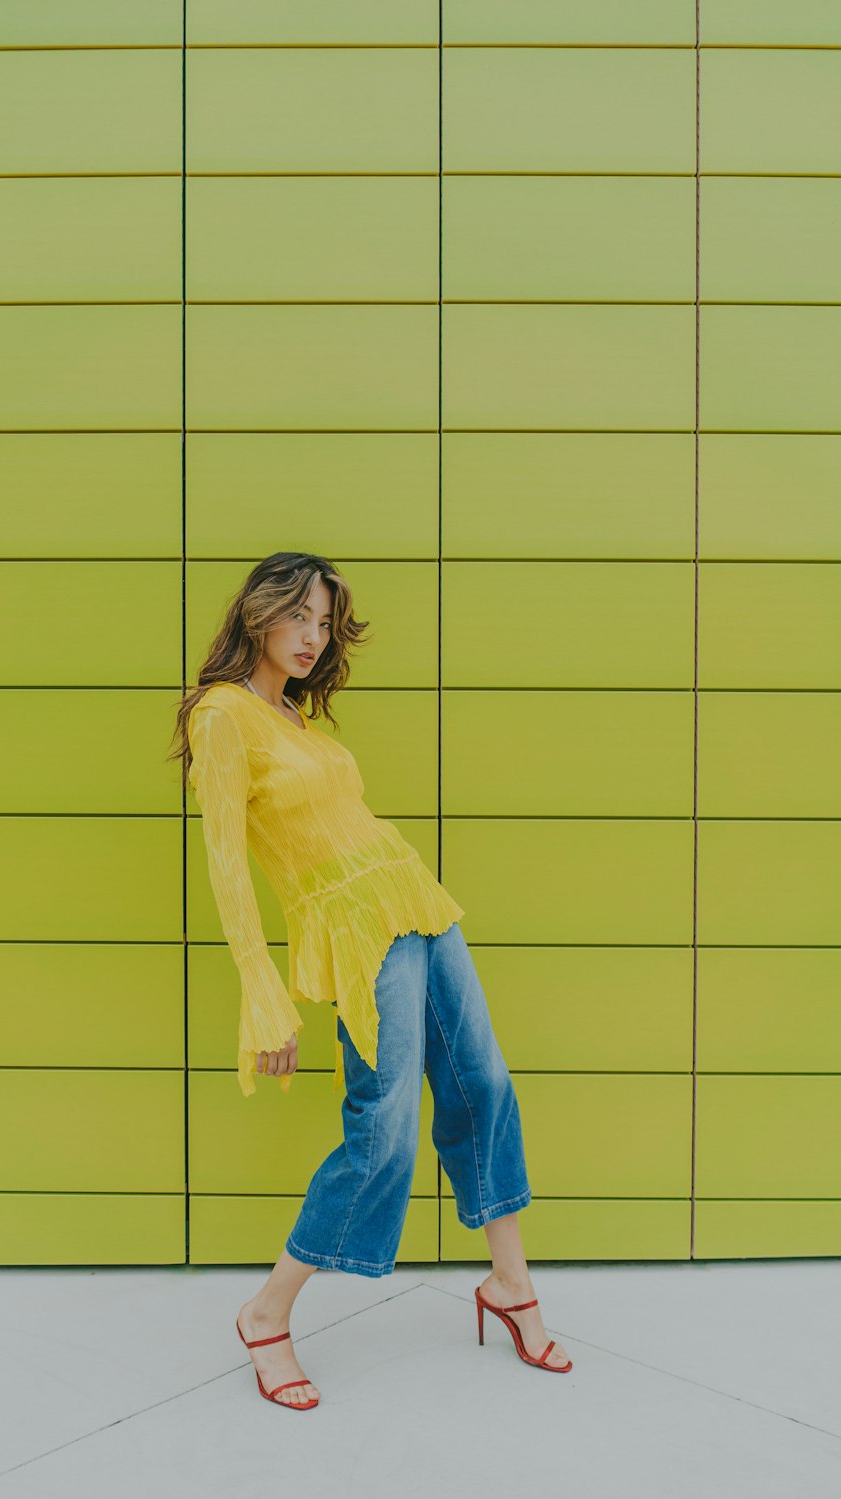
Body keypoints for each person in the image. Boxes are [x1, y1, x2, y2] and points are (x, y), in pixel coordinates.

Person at [168, 552, 572, 1410]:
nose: (313, 637)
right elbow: (227, 867)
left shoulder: (297, 718)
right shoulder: (225, 716)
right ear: (259, 614)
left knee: (483, 1085)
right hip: (355, 934)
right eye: (299, 617)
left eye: (324, 622)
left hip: (416, 901)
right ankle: (266, 1313)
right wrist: (260, 987)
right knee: (383, 1127)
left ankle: (511, 1285)